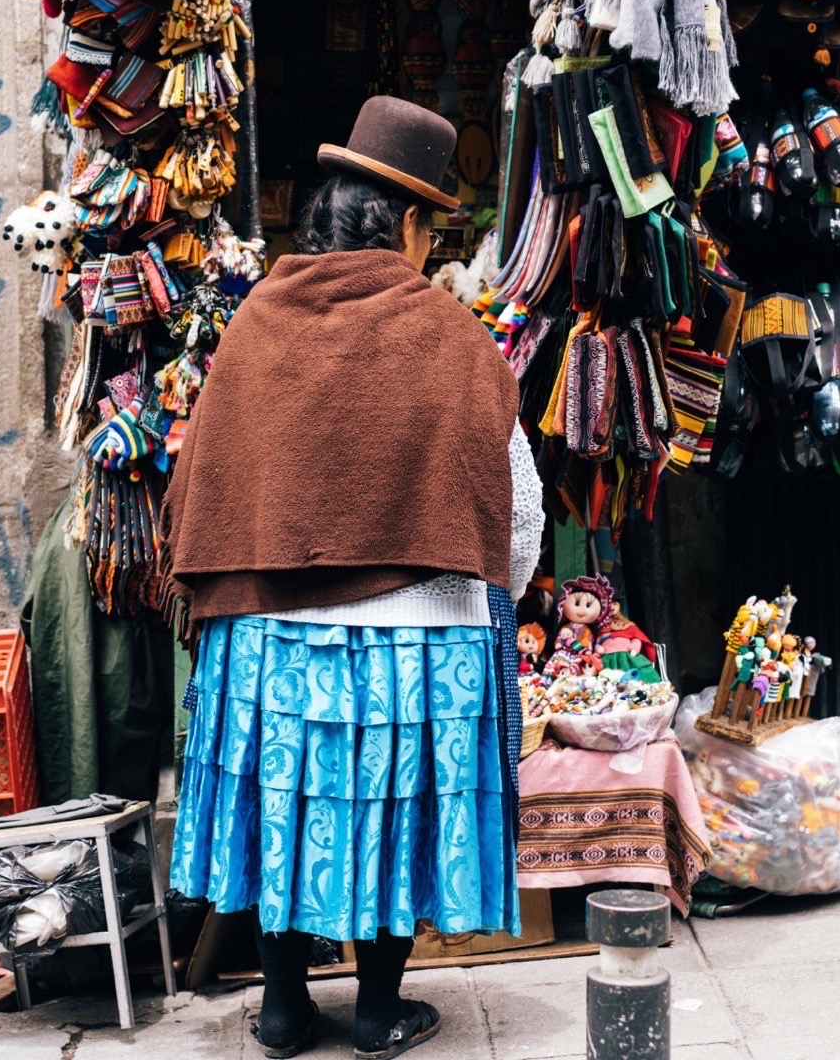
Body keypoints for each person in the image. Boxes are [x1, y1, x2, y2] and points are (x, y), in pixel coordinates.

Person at [163, 96, 544, 1059]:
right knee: (392, 809)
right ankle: (377, 1009)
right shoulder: (456, 338)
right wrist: (494, 593)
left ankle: (285, 1007)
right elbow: (521, 508)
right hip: (426, 631)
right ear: (410, 226)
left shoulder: (256, 324)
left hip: (267, 631)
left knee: (292, 805)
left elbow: (201, 477)